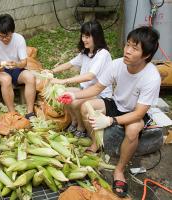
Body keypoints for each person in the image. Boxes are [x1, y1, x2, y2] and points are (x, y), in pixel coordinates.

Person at [58, 26, 161, 198]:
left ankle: (119, 170)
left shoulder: (151, 77)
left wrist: (110, 121)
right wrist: (73, 94)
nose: (127, 51)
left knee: (133, 129)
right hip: (116, 104)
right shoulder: (116, 65)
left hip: (135, 111)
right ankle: (95, 144)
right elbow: (96, 88)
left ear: (146, 55)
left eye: (134, 48)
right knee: (85, 106)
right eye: (127, 45)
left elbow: (138, 113)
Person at [49, 21, 112, 137]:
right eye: (83, 36)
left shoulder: (103, 54)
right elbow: (69, 64)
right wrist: (51, 72)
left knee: (75, 102)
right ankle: (74, 121)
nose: (84, 39)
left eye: (88, 36)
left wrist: (63, 81)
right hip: (85, 90)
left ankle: (81, 128)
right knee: (64, 94)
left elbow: (90, 76)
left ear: (97, 37)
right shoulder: (86, 52)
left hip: (100, 94)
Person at [0, 13, 36, 119]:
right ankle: (13, 113)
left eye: (7, 36)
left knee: (30, 78)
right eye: (1, 36)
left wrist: (16, 64)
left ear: (12, 31)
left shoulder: (19, 39)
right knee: (6, 79)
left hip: (15, 67)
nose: (4, 39)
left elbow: (23, 62)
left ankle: (30, 112)